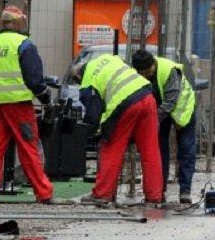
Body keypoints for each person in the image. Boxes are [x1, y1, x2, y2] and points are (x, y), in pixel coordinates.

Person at [0, 6, 54, 204]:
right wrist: (46, 99)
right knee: (28, 147)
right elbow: (34, 80)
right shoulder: (23, 44)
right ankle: (43, 193)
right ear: (19, 22)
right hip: (19, 105)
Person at [77, 54, 163, 204]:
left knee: (111, 148)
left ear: (80, 76)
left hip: (125, 103)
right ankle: (154, 196)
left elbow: (93, 114)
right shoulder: (109, 58)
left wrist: (97, 132)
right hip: (147, 96)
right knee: (150, 150)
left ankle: (102, 194)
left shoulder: (87, 80)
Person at [131, 50, 197, 205]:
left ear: (153, 64)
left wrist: (153, 119)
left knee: (186, 150)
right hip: (160, 111)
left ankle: (185, 191)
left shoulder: (168, 70)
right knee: (159, 151)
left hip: (182, 109)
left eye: (148, 72)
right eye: (142, 74)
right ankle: (159, 190)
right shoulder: (135, 73)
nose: (146, 76)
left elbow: (170, 101)